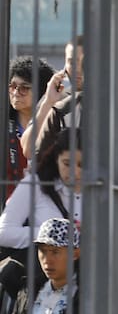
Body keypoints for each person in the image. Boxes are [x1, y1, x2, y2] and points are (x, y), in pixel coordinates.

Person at [0, 128, 83, 269]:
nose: (75, 172)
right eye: (67, 164)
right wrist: (50, 234)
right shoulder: (35, 184)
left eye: (82, 165)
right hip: (44, 276)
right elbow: (3, 232)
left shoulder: (105, 188)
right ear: (56, 158)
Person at [20, 36, 83, 161]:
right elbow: (27, 150)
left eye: (84, 62)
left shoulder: (111, 100)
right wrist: (49, 102)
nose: (78, 69)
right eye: (72, 62)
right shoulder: (56, 99)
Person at [5, 56, 55, 206]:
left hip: (46, 208)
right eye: (13, 86)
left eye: (24, 88)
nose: (16, 92)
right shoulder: (4, 127)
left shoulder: (56, 126)